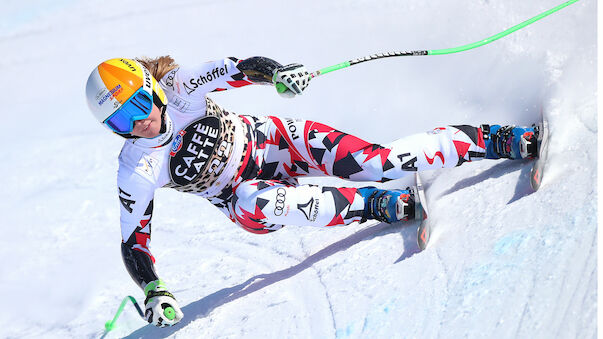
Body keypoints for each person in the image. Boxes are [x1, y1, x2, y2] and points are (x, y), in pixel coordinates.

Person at [85, 56, 538, 327]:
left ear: (152, 89)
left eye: (141, 104)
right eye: (122, 122)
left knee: (381, 162)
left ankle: (495, 139)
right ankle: (377, 207)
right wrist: (154, 290)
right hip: (244, 198)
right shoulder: (136, 168)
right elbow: (134, 241)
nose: (140, 122)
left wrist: (279, 74)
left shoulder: (180, 87)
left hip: (276, 141)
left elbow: (237, 69)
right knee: (253, 200)